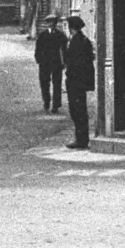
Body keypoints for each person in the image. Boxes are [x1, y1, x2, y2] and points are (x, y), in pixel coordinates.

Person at [63, 15, 95, 149]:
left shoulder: (78, 42)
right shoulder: (83, 40)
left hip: (76, 81)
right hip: (79, 81)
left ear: (72, 28)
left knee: (77, 110)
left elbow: (76, 62)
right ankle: (81, 138)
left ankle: (81, 140)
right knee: (78, 110)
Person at [34, 14, 67, 113]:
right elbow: (38, 49)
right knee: (44, 83)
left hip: (57, 63)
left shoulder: (60, 35)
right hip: (45, 63)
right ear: (47, 23)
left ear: (56, 23)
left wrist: (64, 62)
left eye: (54, 22)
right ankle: (46, 102)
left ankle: (56, 105)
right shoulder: (42, 35)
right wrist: (39, 60)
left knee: (57, 84)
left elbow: (64, 49)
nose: (52, 24)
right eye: (49, 22)